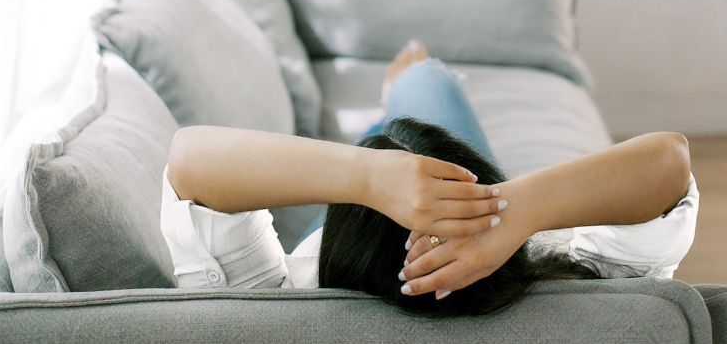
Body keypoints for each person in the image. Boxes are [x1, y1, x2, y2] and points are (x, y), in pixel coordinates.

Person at [161, 41, 698, 316]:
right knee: (426, 87)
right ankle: (408, 92)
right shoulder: (587, 300)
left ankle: (389, 120)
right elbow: (669, 161)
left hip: (355, 225)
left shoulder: (282, 305)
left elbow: (190, 159)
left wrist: (366, 175)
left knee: (398, 131)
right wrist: (511, 210)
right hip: (462, 211)